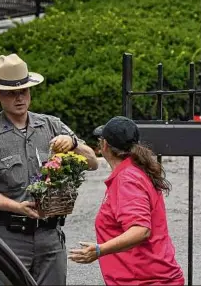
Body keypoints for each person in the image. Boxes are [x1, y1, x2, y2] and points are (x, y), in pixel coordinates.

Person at [0, 53, 98, 285]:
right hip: (8, 237)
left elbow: (92, 162)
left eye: (23, 91)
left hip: (50, 237)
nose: (19, 98)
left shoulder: (51, 125)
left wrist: (74, 144)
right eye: (11, 93)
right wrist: (17, 207)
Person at [68, 116, 184, 285]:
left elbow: (140, 229)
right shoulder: (134, 171)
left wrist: (99, 250)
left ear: (104, 145)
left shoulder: (127, 179)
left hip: (145, 280)